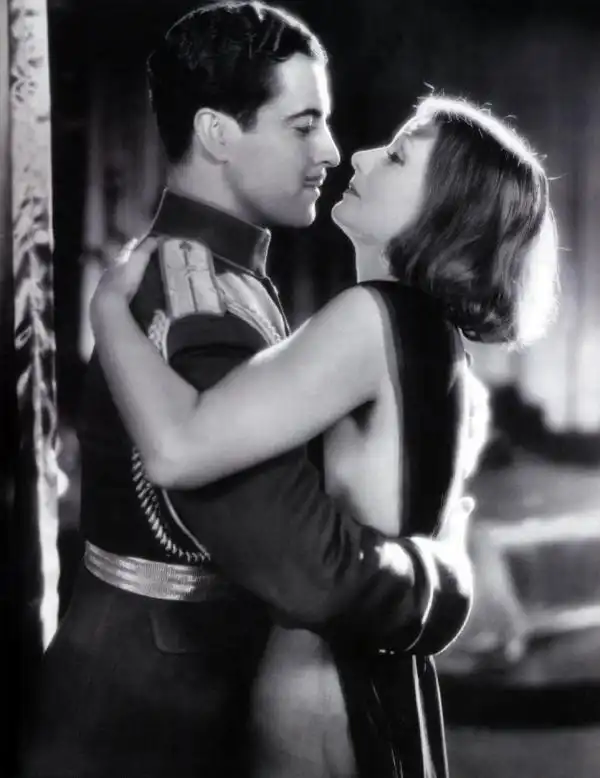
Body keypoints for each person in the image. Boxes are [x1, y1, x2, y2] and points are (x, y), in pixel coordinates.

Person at [20, 4, 477, 778]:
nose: (330, 150)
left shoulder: (224, 277)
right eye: (303, 124)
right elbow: (310, 573)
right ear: (217, 134)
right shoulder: (198, 303)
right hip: (152, 718)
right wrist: (444, 581)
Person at [89, 88, 558, 778]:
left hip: (322, 692)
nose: (360, 157)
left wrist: (108, 313)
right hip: (387, 688)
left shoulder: (372, 316)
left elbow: (175, 448)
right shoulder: (438, 343)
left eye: (396, 158)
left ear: (445, 212)